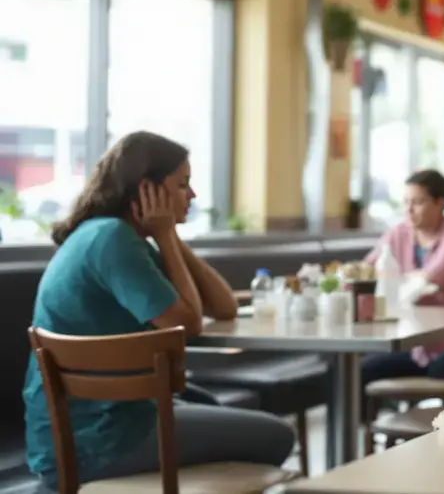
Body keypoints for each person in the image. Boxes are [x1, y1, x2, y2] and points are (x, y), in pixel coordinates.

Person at [24, 132, 295, 489]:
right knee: (277, 436)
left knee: (213, 405)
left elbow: (224, 306)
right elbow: (188, 324)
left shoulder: (118, 236)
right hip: (96, 439)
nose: (193, 195)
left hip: (101, 423)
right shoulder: (112, 240)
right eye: (183, 184)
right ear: (147, 190)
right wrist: (165, 236)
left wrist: (169, 236)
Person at [361, 170, 444, 384]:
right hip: (417, 344)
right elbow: (366, 269)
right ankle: (361, 418)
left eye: (418, 202)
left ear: (440, 203)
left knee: (440, 369)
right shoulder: (399, 232)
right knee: (362, 369)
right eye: (406, 202)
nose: (408, 210)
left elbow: (432, 278)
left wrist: (394, 278)